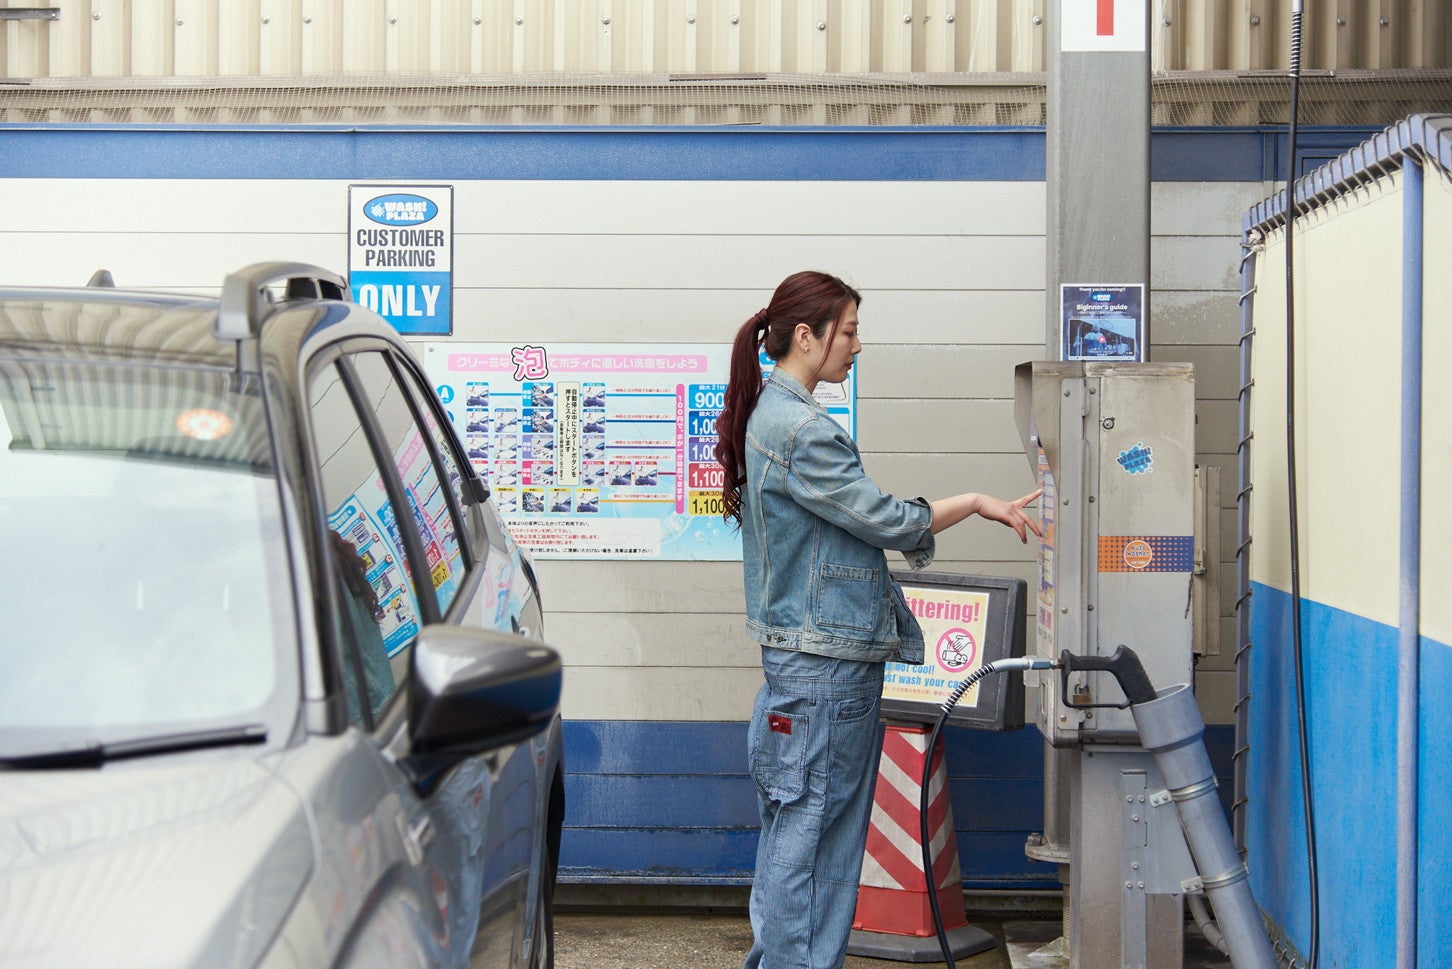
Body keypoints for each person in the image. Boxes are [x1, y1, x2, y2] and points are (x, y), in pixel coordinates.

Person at [715, 270, 1042, 969]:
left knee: (797, 836)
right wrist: (978, 499)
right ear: (807, 335)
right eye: (850, 331)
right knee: (818, 847)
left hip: (802, 670)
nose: (857, 347)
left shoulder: (769, 416)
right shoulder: (803, 429)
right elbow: (888, 519)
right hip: (826, 673)